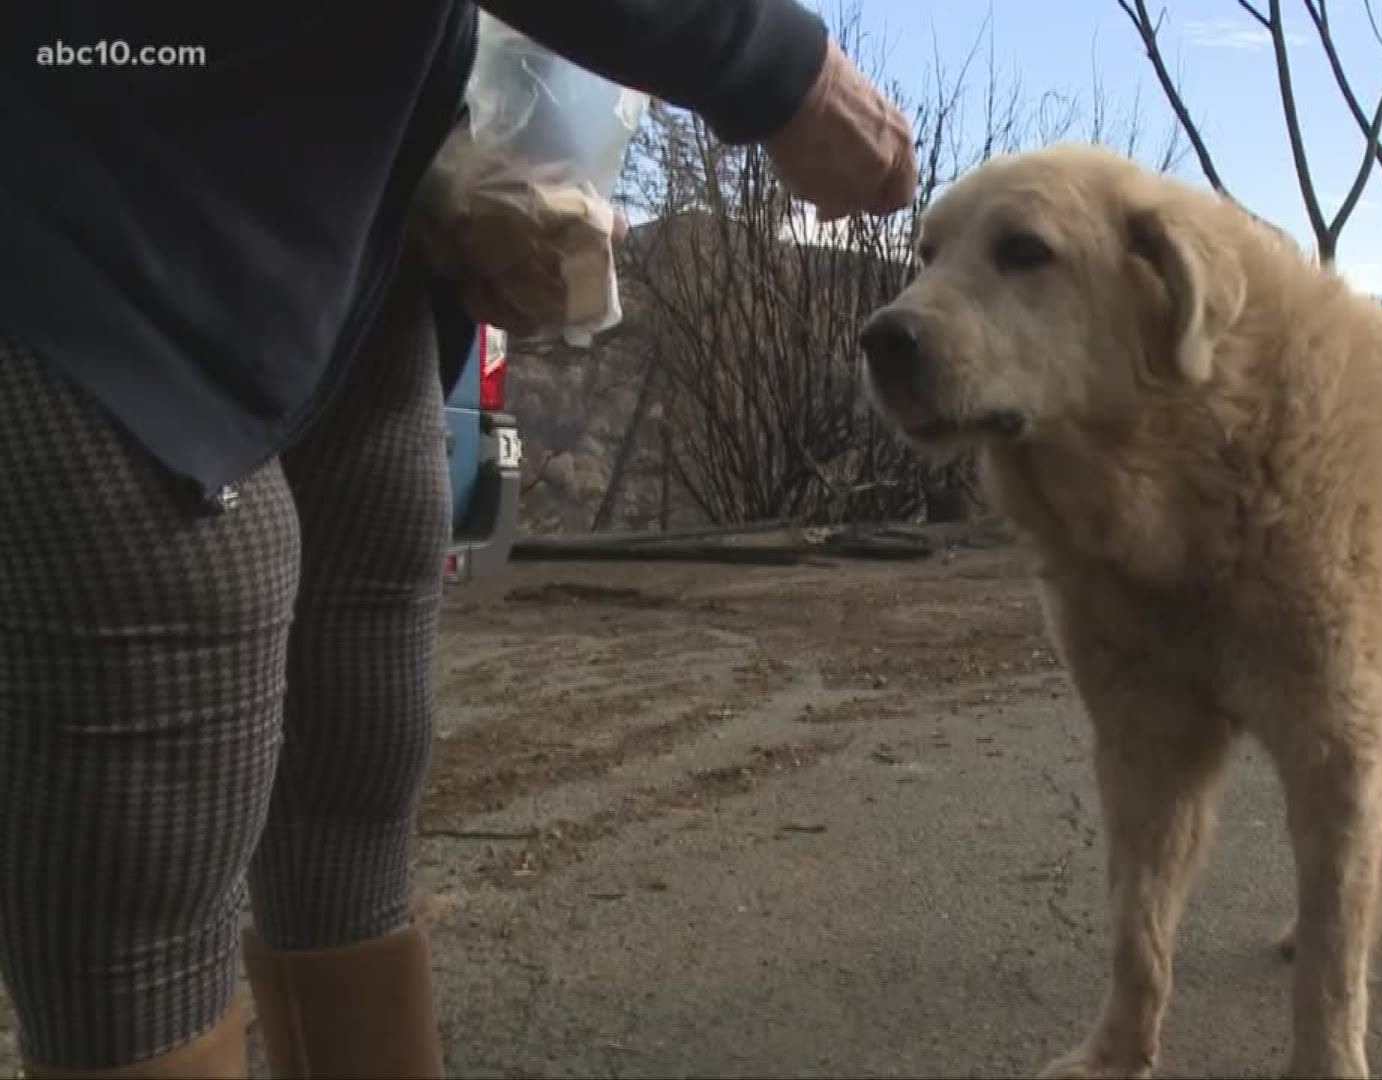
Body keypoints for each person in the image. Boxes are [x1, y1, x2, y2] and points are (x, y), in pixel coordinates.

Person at [0, 2, 917, 1077]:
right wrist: (779, 64)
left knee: (362, 708)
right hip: (88, 179)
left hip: (328, 233)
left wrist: (461, 167)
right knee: (157, 772)